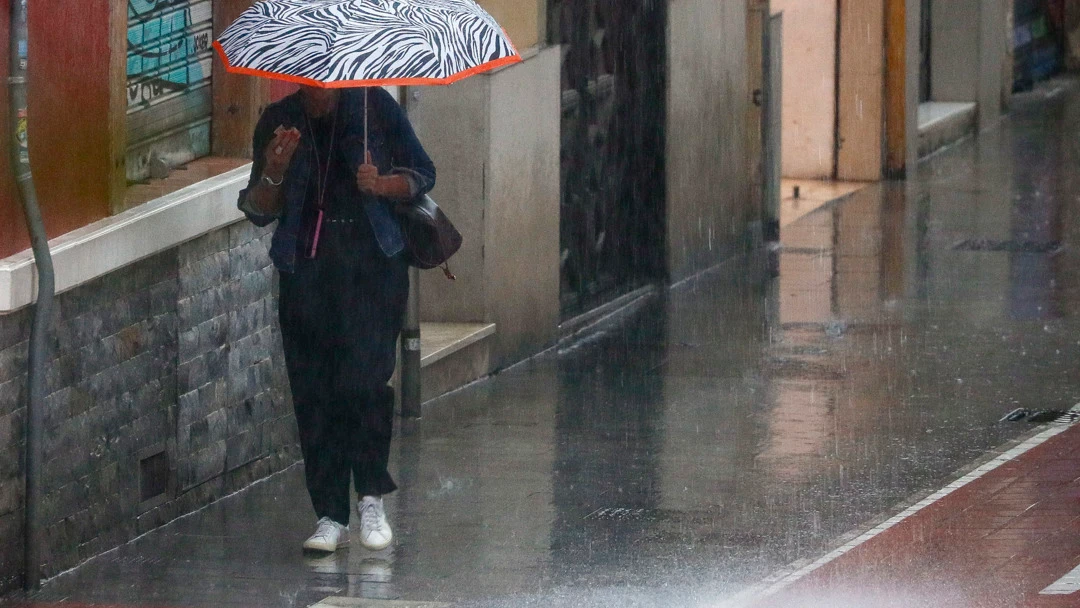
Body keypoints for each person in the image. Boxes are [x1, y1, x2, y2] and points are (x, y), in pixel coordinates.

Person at [238, 85, 435, 553]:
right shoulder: (280, 120)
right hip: (306, 272)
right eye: (308, 77)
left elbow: (423, 173)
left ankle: (370, 498)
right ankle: (329, 513)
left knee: (365, 384)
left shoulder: (376, 108)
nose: (318, 88)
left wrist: (382, 184)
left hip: (373, 269)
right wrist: (273, 173)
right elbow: (257, 211)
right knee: (314, 392)